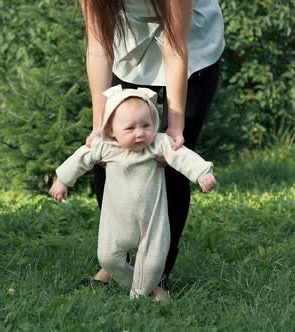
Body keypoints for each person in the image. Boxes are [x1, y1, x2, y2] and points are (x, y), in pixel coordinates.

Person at [79, 0, 225, 291]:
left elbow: (175, 48)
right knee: (111, 156)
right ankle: (115, 261)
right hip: (127, 42)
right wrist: (100, 127)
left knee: (172, 163)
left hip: (189, 45)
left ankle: (158, 273)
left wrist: (175, 127)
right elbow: (98, 48)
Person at [49, 86, 217, 300]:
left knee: (154, 262)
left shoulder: (158, 143)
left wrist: (202, 173)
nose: (140, 133)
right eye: (130, 128)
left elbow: (181, 156)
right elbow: (81, 158)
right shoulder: (105, 147)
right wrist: (62, 180)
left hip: (152, 224)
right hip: (117, 223)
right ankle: (151, 290)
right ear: (111, 130)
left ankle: (138, 297)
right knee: (108, 258)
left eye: (146, 125)